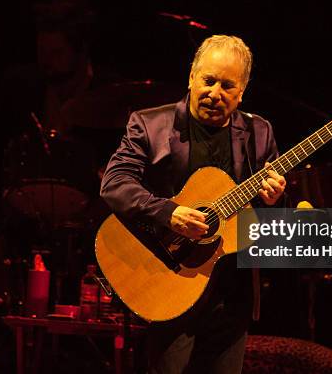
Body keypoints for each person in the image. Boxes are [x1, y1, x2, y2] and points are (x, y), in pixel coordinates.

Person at [100, 35, 286, 373]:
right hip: (170, 279)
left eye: (227, 86)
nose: (215, 93)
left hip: (232, 293)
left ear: (241, 92)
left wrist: (275, 200)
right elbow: (114, 184)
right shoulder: (150, 125)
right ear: (191, 77)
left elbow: (265, 222)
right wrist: (168, 213)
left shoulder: (259, 133)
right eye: (208, 80)